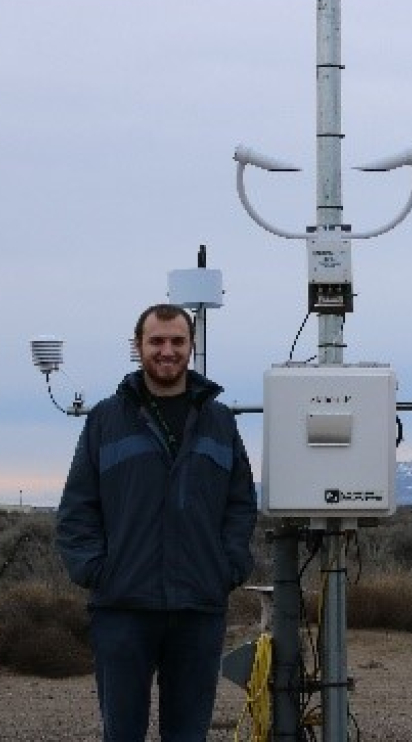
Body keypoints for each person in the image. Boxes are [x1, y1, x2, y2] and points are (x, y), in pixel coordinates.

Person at [56, 303, 258, 742]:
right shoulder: (106, 420)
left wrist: (229, 566)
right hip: (122, 606)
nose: (167, 351)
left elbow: (240, 503)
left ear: (191, 346)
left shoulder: (219, 420)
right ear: (138, 347)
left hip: (198, 606)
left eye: (177, 341)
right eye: (157, 341)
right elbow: (77, 508)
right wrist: (95, 570)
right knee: (122, 732)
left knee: (188, 734)